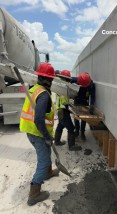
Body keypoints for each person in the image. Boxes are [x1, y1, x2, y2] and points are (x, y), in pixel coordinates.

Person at [20, 62, 59, 206]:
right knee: (43, 161)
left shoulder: (35, 89)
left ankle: (48, 173)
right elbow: (38, 119)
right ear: (50, 80)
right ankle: (34, 193)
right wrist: (47, 136)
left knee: (46, 154)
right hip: (38, 133)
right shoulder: (44, 95)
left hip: (31, 131)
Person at [55, 70, 82, 151]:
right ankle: (71, 146)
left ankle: (57, 141)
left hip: (60, 109)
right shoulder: (63, 87)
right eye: (67, 79)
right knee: (71, 128)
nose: (68, 80)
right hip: (63, 110)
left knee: (60, 125)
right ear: (64, 78)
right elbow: (65, 101)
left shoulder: (59, 85)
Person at [71, 72, 95, 141]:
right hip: (77, 100)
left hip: (85, 101)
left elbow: (93, 96)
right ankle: (77, 131)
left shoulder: (91, 85)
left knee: (84, 118)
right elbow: (67, 80)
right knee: (76, 116)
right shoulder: (76, 80)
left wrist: (92, 105)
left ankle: (82, 133)